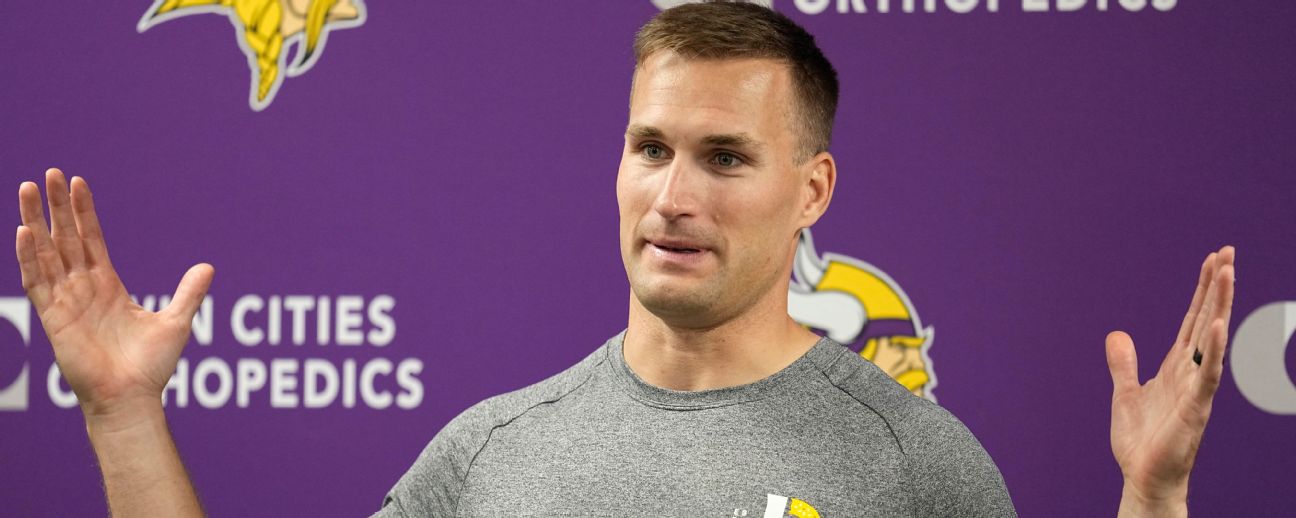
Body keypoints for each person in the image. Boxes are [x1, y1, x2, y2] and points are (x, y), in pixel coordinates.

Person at [13, 2, 1236, 517]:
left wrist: (1155, 499)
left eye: (723, 155)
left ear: (812, 187)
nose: (673, 194)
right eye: (650, 146)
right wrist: (124, 415)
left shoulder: (912, 455)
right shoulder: (491, 450)